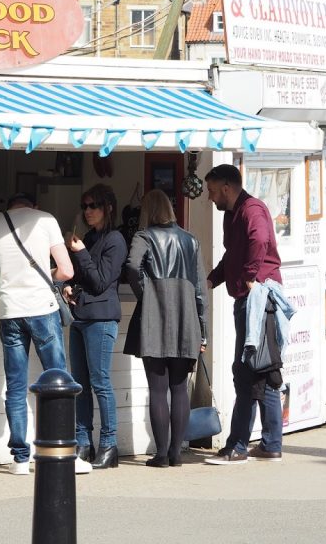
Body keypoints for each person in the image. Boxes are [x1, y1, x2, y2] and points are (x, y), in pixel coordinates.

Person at [0, 192, 92, 474]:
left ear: (8, 206)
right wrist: (44, 274)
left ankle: (19, 458)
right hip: (42, 308)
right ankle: (63, 449)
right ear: (33, 206)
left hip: (9, 311)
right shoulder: (45, 219)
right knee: (58, 379)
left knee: (15, 385)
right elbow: (66, 271)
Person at [202, 164, 284, 465]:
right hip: (249, 298)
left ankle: (238, 445)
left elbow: (260, 241)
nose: (210, 198)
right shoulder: (231, 214)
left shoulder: (252, 210)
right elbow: (232, 254)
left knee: (251, 370)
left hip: (259, 299)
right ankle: (270, 444)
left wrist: (250, 278)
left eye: (211, 191)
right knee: (260, 369)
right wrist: (213, 278)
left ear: (226, 187)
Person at [124, 189, 207, 468]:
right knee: (179, 387)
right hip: (186, 318)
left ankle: (161, 455)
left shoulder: (143, 237)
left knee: (158, 389)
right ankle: (176, 453)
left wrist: (145, 292)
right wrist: (203, 329)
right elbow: (199, 290)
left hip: (154, 315)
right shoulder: (190, 240)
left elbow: (133, 266)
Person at [64, 183, 126, 469]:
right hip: (81, 316)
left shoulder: (115, 239)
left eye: (94, 206)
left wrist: (80, 252)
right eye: (85, 206)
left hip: (101, 318)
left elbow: (101, 281)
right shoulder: (90, 237)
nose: (88, 211)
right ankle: (83, 443)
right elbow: (83, 278)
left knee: (100, 382)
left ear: (108, 208)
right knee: (80, 384)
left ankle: (109, 444)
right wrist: (69, 287)